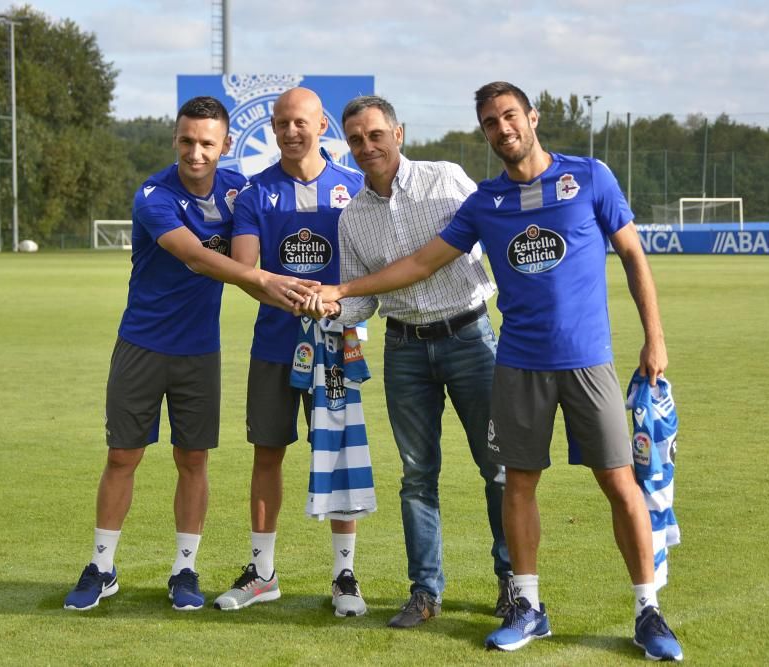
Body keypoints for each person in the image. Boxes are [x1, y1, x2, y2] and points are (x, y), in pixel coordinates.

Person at [307, 82, 683, 661]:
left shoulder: (588, 177)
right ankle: (527, 607)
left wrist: (655, 339)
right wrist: (339, 294)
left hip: (574, 360)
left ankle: (648, 611)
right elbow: (419, 263)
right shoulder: (484, 202)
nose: (502, 128)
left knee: (617, 483)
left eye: (510, 116)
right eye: (490, 121)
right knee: (511, 481)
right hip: (512, 363)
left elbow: (633, 255)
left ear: (532, 117)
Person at [63, 96, 315, 613]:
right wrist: (270, 279)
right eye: (186, 141)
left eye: (206, 142)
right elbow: (199, 259)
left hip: (200, 352)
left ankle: (184, 569)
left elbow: (269, 236)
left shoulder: (240, 191)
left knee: (193, 460)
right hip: (141, 345)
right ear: (175, 140)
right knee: (122, 457)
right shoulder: (153, 195)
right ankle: (102, 567)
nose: (195, 153)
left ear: (225, 145)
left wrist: (313, 294)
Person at [302, 95, 513, 629]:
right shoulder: (352, 217)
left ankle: (513, 583)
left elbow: (495, 238)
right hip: (404, 350)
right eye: (356, 140)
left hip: (471, 338)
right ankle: (425, 593)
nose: (367, 147)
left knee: (499, 468)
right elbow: (360, 300)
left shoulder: (448, 179)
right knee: (417, 476)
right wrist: (325, 302)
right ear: (346, 146)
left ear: (399, 133)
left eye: (376, 135)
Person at [212, 87, 368, 618]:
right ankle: (263, 572)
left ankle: (344, 575)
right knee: (267, 452)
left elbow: (367, 270)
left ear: (321, 125)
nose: (290, 131)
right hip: (276, 347)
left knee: (341, 454)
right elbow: (246, 270)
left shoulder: (355, 187)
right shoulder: (256, 193)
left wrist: (333, 301)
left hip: (339, 347)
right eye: (281, 123)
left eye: (300, 122)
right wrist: (299, 294)